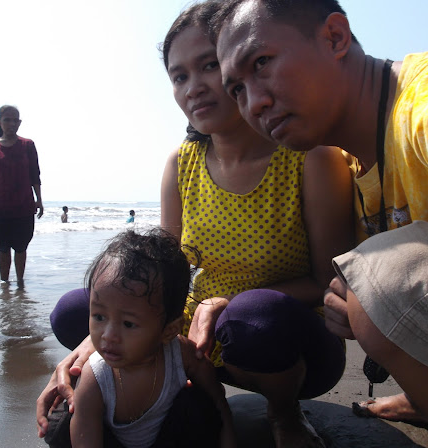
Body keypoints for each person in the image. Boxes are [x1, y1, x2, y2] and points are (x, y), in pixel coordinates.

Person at [38, 3, 354, 447]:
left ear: (238, 65)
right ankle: (148, 405)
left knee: (250, 317)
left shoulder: (311, 157)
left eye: (208, 66)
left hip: (281, 341)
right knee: (78, 309)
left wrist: (226, 303)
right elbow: (159, 277)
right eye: (178, 76)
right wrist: (98, 342)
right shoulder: (181, 164)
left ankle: (284, 416)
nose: (194, 87)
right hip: (194, 338)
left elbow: (332, 280)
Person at [211, 0, 428, 445]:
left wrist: (375, 294)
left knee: (381, 277)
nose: (255, 102)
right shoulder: (346, 162)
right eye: (236, 89)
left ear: (335, 37)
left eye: (263, 62)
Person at [59, 228, 234, 448]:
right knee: (64, 419)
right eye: (99, 316)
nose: (108, 335)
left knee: (197, 405)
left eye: (128, 324)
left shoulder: (182, 354)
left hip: (167, 439)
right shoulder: (95, 377)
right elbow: (86, 435)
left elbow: (218, 403)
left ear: (169, 331)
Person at [0, 105, 44, 288]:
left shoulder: (28, 145)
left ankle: (20, 284)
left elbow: (35, 174)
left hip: (23, 206)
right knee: (3, 247)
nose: (11, 124)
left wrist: (39, 200)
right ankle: (5, 285)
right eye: (7, 120)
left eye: (15, 120)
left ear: (20, 122)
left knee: (21, 247)